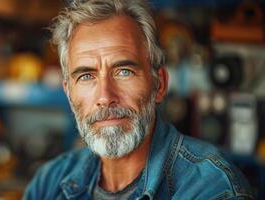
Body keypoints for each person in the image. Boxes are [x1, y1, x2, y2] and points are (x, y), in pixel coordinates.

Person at [23, 0, 254, 199]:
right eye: (86, 76)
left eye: (124, 72)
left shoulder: (211, 189)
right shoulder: (49, 182)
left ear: (159, 84)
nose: (105, 97)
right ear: (68, 92)